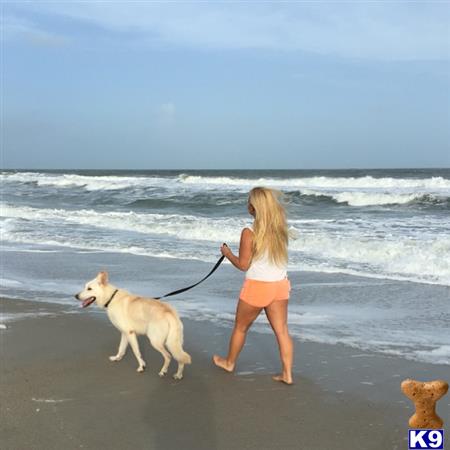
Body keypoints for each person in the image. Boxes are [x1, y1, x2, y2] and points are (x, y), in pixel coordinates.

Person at [213, 187, 293, 384]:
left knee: (240, 328)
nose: (247, 204)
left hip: (258, 287)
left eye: (249, 201)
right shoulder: (281, 230)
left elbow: (243, 265)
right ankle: (287, 374)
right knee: (282, 331)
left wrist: (227, 253)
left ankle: (229, 363)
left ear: (254, 208)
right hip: (280, 286)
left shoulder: (249, 232)